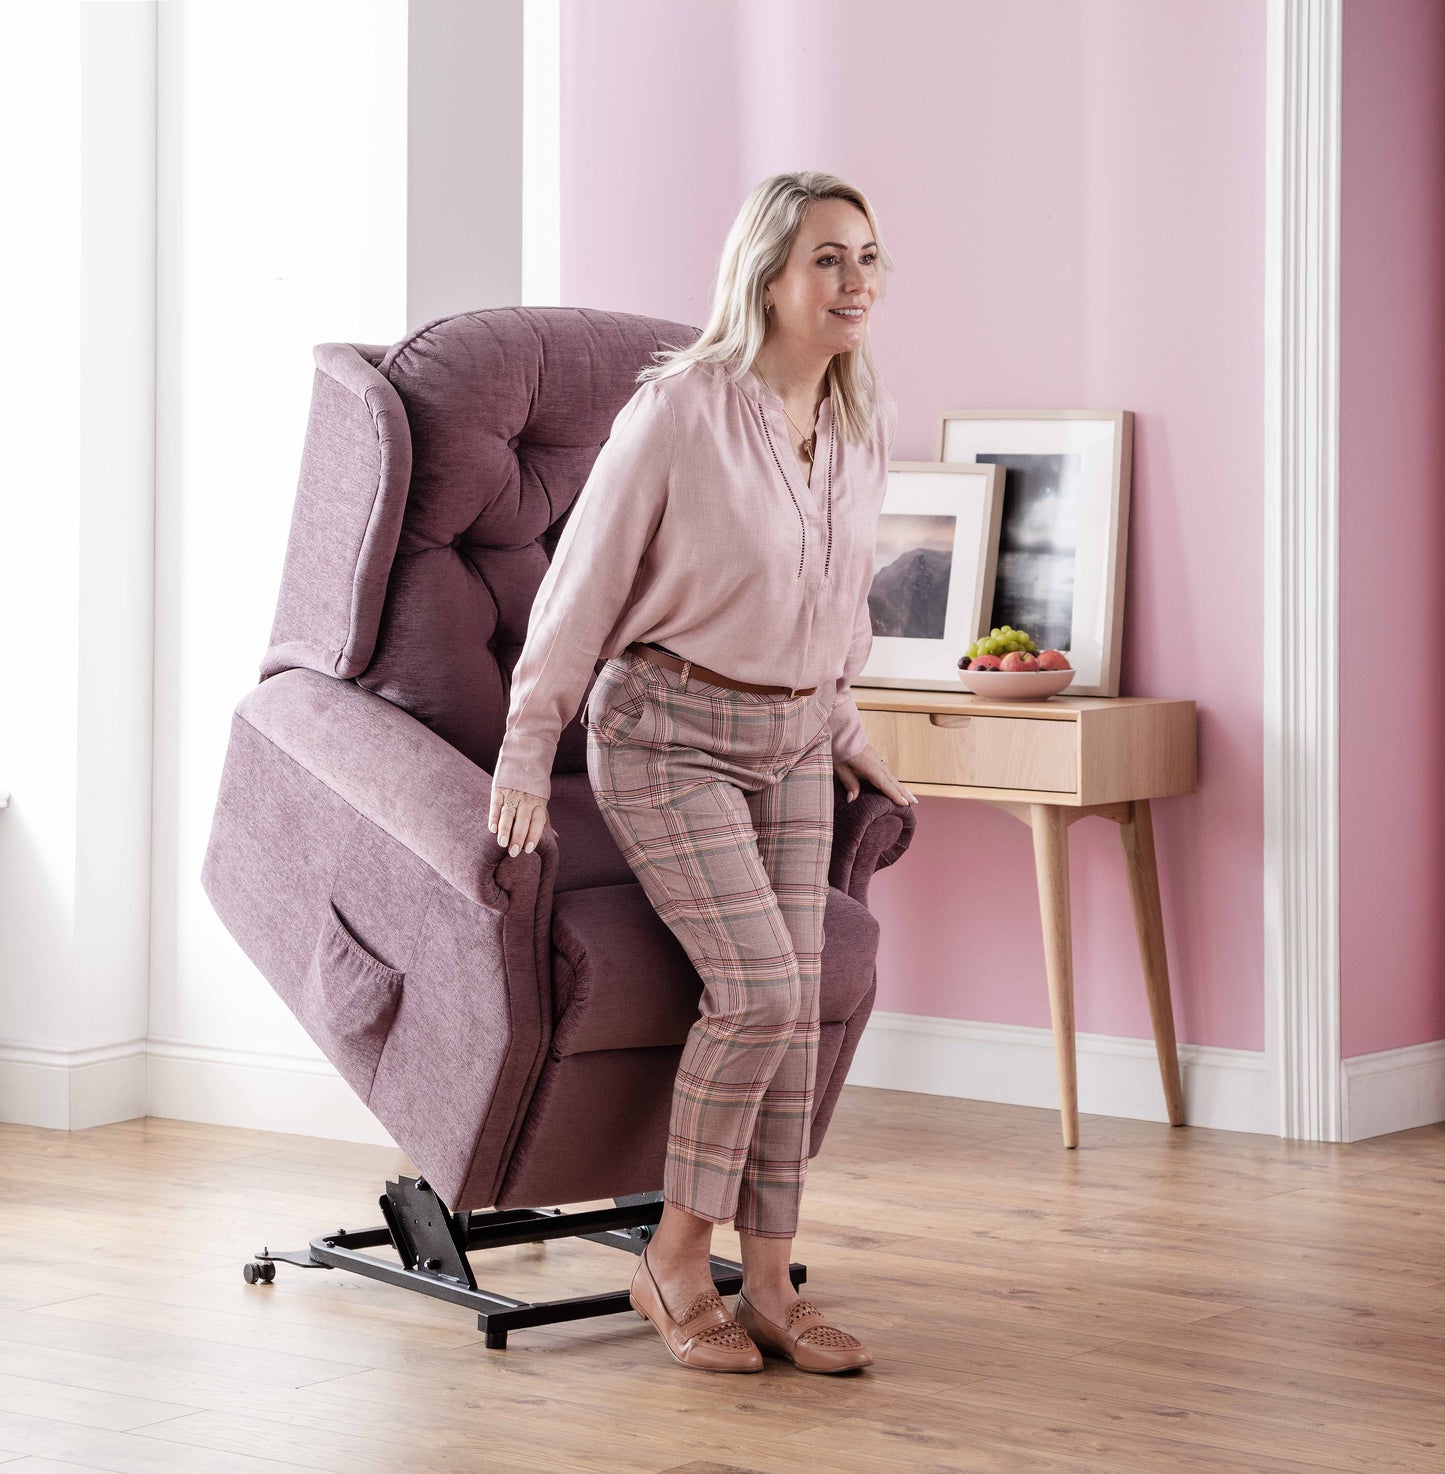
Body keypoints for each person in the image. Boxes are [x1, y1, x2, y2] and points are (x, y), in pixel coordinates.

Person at [489, 171, 916, 1374]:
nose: (855, 283)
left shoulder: (856, 418)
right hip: (664, 730)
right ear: (769, 274)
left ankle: (770, 1276)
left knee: (800, 998)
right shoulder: (680, 409)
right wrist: (529, 742)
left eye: (869, 259)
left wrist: (846, 732)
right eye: (828, 259)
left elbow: (836, 605)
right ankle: (674, 1261)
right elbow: (578, 586)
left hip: (787, 740)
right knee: (763, 992)